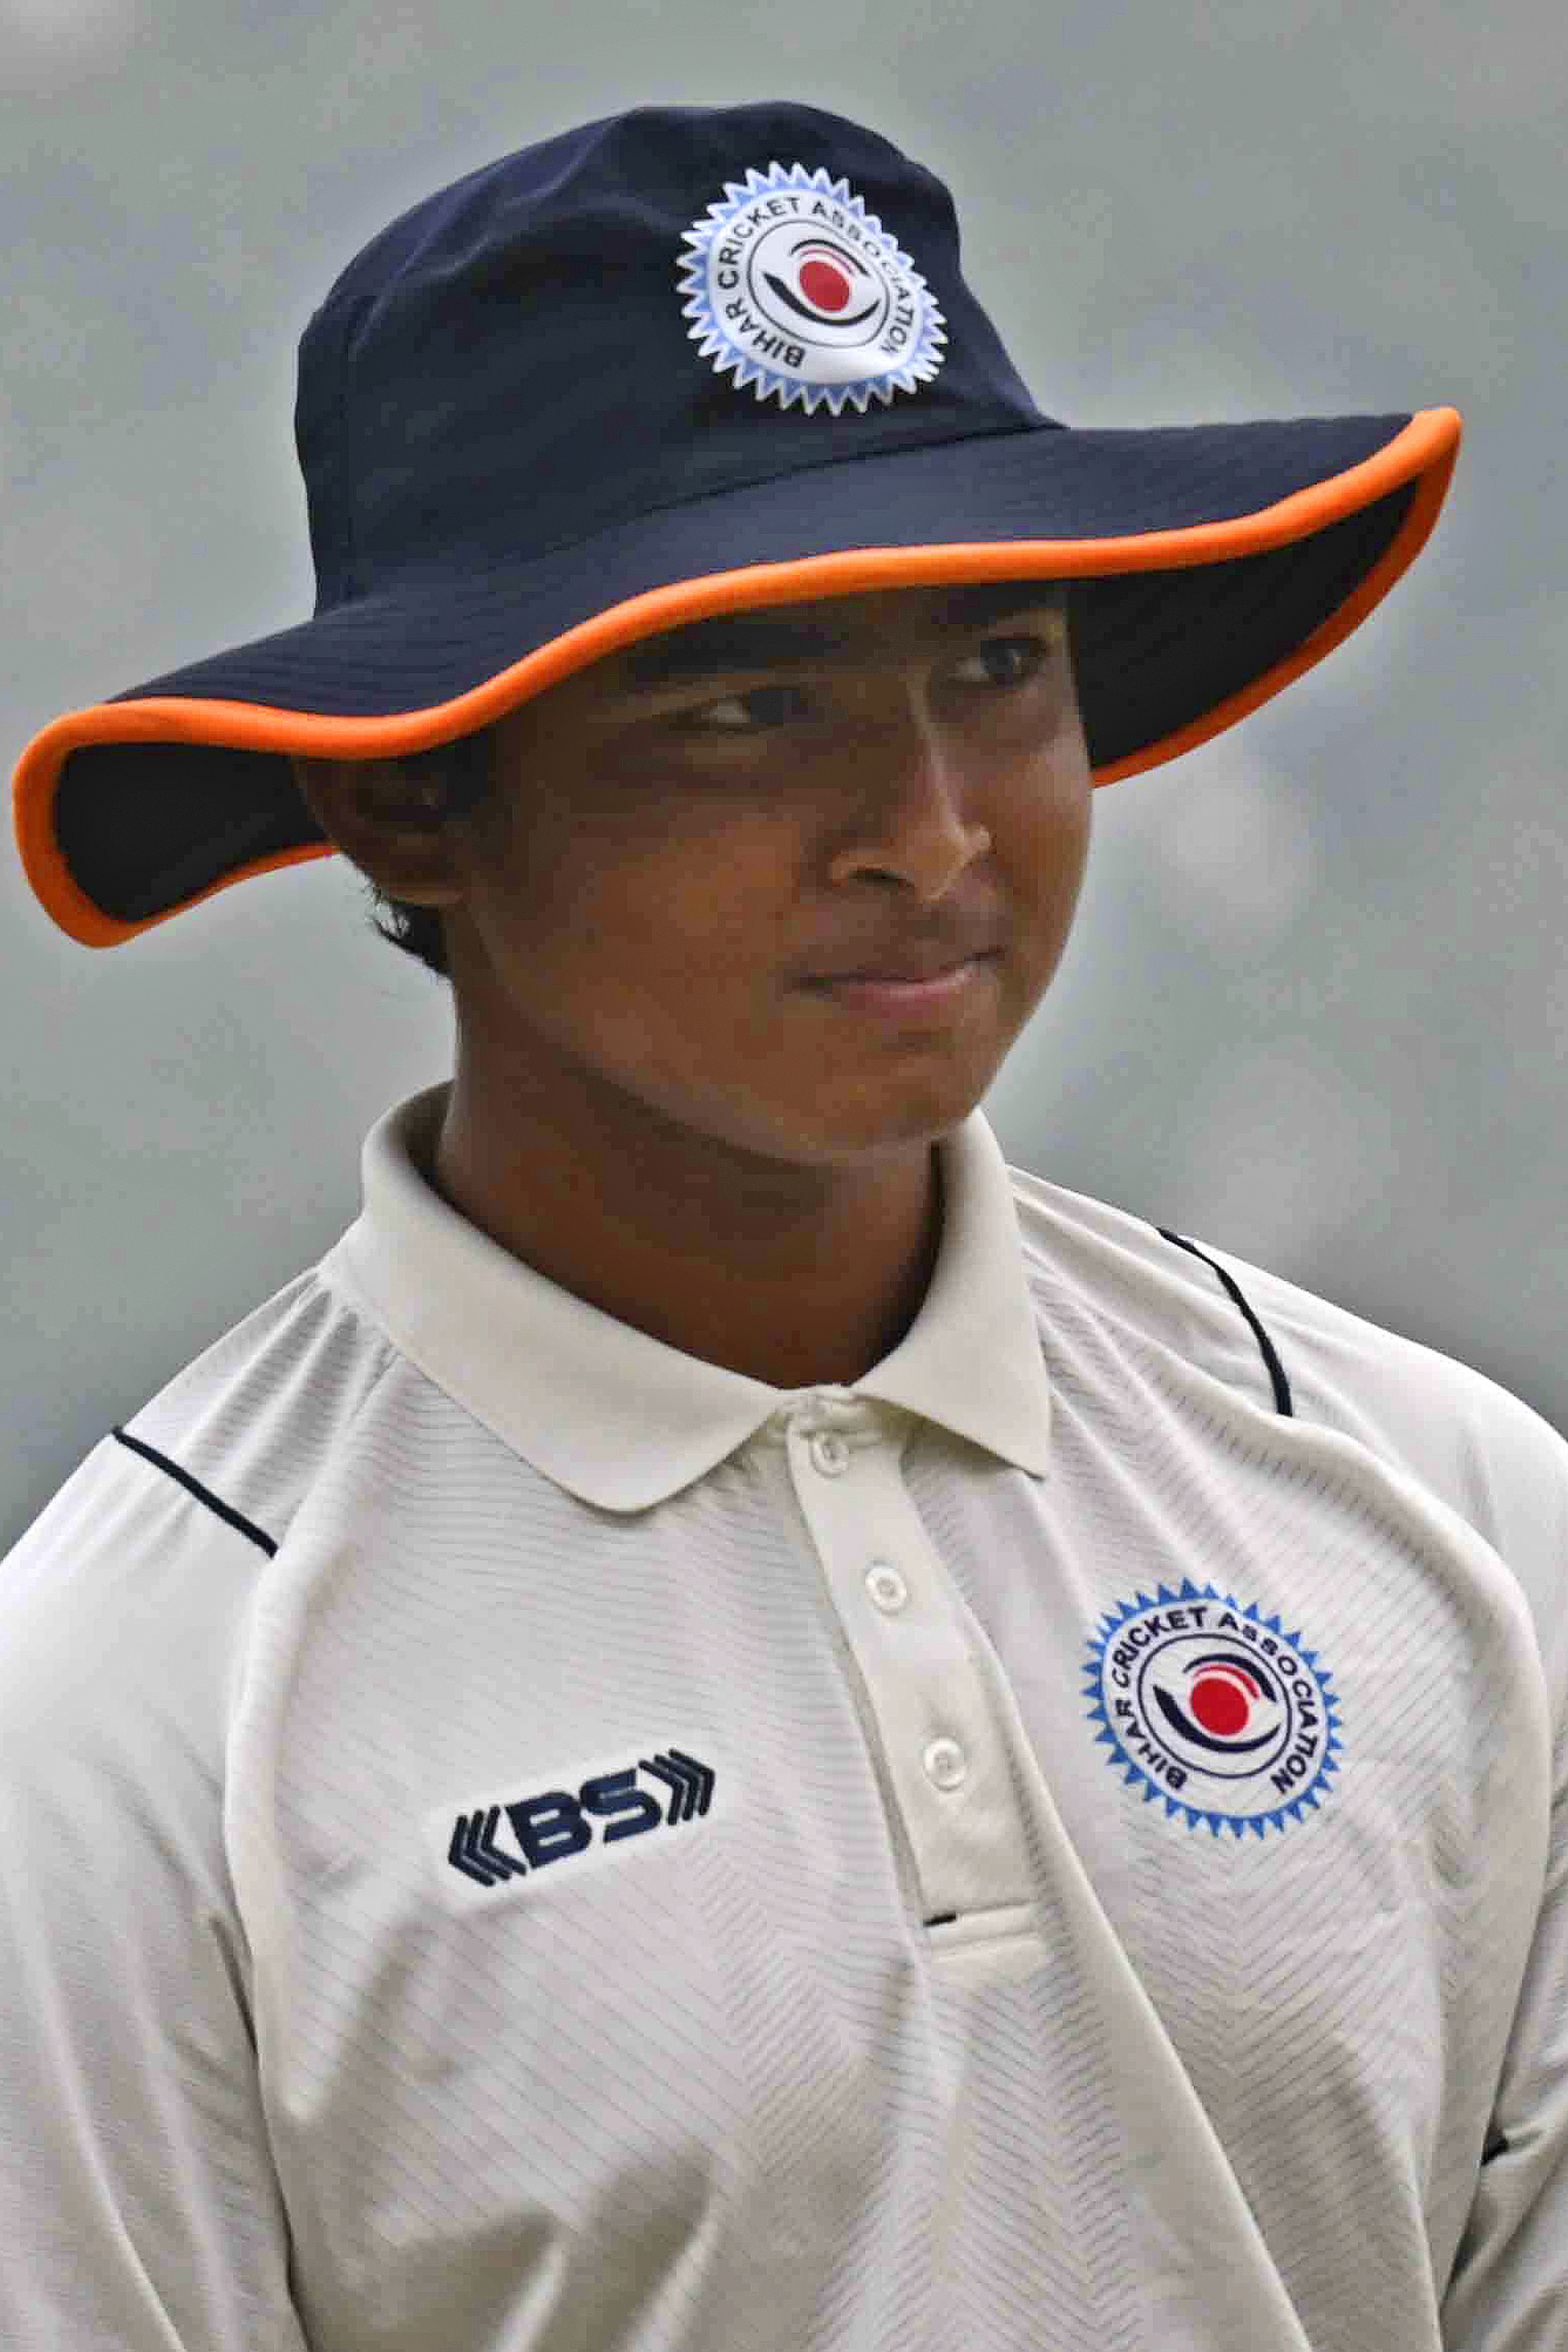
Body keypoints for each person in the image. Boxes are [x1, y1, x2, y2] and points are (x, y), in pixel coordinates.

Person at [3, 99, 1562, 2352]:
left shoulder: (1440, 1508)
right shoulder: (138, 1716)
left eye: (998, 669)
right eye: (748, 707)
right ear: (411, 798)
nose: (925, 833)